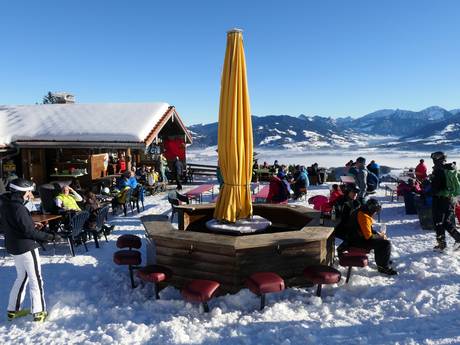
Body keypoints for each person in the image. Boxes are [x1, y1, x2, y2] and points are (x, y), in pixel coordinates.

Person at [1, 178, 60, 322]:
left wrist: (31, 226)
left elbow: (11, 226)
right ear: (22, 192)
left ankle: (12, 310)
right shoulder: (19, 208)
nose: (30, 195)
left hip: (14, 247)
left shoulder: (6, 205)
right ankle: (39, 312)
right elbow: (30, 233)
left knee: (22, 277)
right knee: (36, 279)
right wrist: (51, 237)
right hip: (27, 247)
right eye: (28, 192)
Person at [346, 198, 397, 275]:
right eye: (375, 211)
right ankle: (383, 267)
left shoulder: (362, 211)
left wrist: (378, 234)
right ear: (372, 210)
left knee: (380, 240)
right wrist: (380, 236)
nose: (375, 214)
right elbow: (368, 236)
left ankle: (383, 260)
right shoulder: (363, 216)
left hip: (355, 237)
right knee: (385, 243)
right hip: (356, 241)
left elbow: (367, 229)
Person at [430, 151, 460, 252]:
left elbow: (435, 189)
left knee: (438, 222)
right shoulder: (450, 168)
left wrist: (428, 184)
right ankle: (458, 239)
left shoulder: (438, 170)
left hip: (440, 200)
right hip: (450, 199)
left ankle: (441, 245)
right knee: (446, 221)